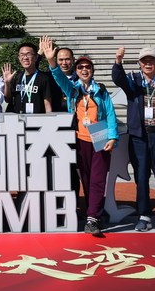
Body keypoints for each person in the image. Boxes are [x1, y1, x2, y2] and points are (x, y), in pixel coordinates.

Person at [41, 36, 117, 236]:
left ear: (92, 71)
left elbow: (110, 113)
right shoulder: (73, 90)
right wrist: (51, 61)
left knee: (98, 178)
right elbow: (58, 77)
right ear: (76, 71)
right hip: (79, 136)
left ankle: (93, 218)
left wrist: (112, 136)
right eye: (81, 67)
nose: (84, 70)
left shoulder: (100, 90)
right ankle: (92, 212)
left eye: (88, 68)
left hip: (99, 132)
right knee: (85, 177)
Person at [111, 46, 155, 232]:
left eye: (152, 61)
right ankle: (144, 215)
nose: (148, 64)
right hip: (139, 136)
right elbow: (117, 79)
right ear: (140, 64)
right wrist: (118, 60)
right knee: (141, 177)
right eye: (144, 61)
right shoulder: (133, 80)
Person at [2, 42, 53, 114]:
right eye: (22, 55)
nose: (25, 58)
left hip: (37, 121)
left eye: (28, 54)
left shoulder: (44, 79)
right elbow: (7, 99)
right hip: (18, 120)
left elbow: (47, 105)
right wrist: (7, 83)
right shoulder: (17, 77)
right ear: (19, 58)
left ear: (36, 57)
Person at [49, 46, 76, 112]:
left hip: (74, 117)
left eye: (67, 59)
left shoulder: (81, 79)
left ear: (73, 60)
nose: (64, 63)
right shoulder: (48, 78)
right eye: (61, 60)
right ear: (56, 61)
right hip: (55, 118)